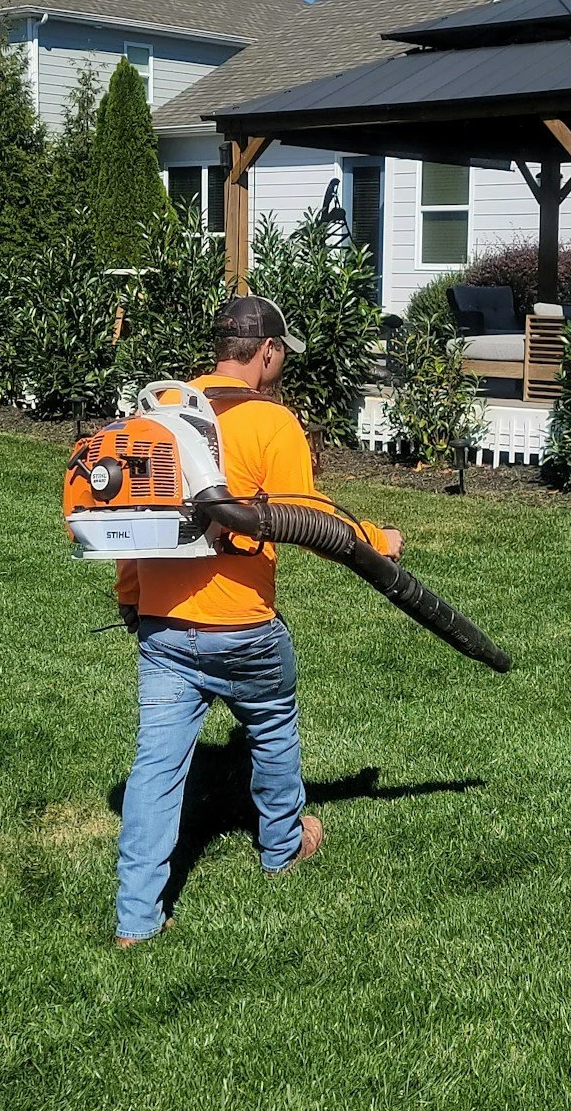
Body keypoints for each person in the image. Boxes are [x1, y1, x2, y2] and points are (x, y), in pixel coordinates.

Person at [109, 296, 400, 949]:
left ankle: (136, 919)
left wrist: (131, 596)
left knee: (156, 769)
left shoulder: (161, 414)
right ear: (266, 351)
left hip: (163, 627)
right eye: (280, 356)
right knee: (271, 724)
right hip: (241, 628)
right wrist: (378, 541)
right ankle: (282, 846)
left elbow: (132, 524)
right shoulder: (272, 422)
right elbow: (310, 515)